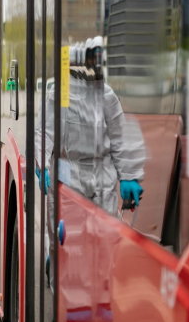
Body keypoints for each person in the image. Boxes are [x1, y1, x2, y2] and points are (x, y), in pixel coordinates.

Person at [38, 36, 145, 216]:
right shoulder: (58, 95)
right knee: (67, 238)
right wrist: (41, 163)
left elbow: (119, 138)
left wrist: (128, 177)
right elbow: (46, 133)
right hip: (67, 181)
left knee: (105, 237)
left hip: (101, 184)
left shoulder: (106, 95)